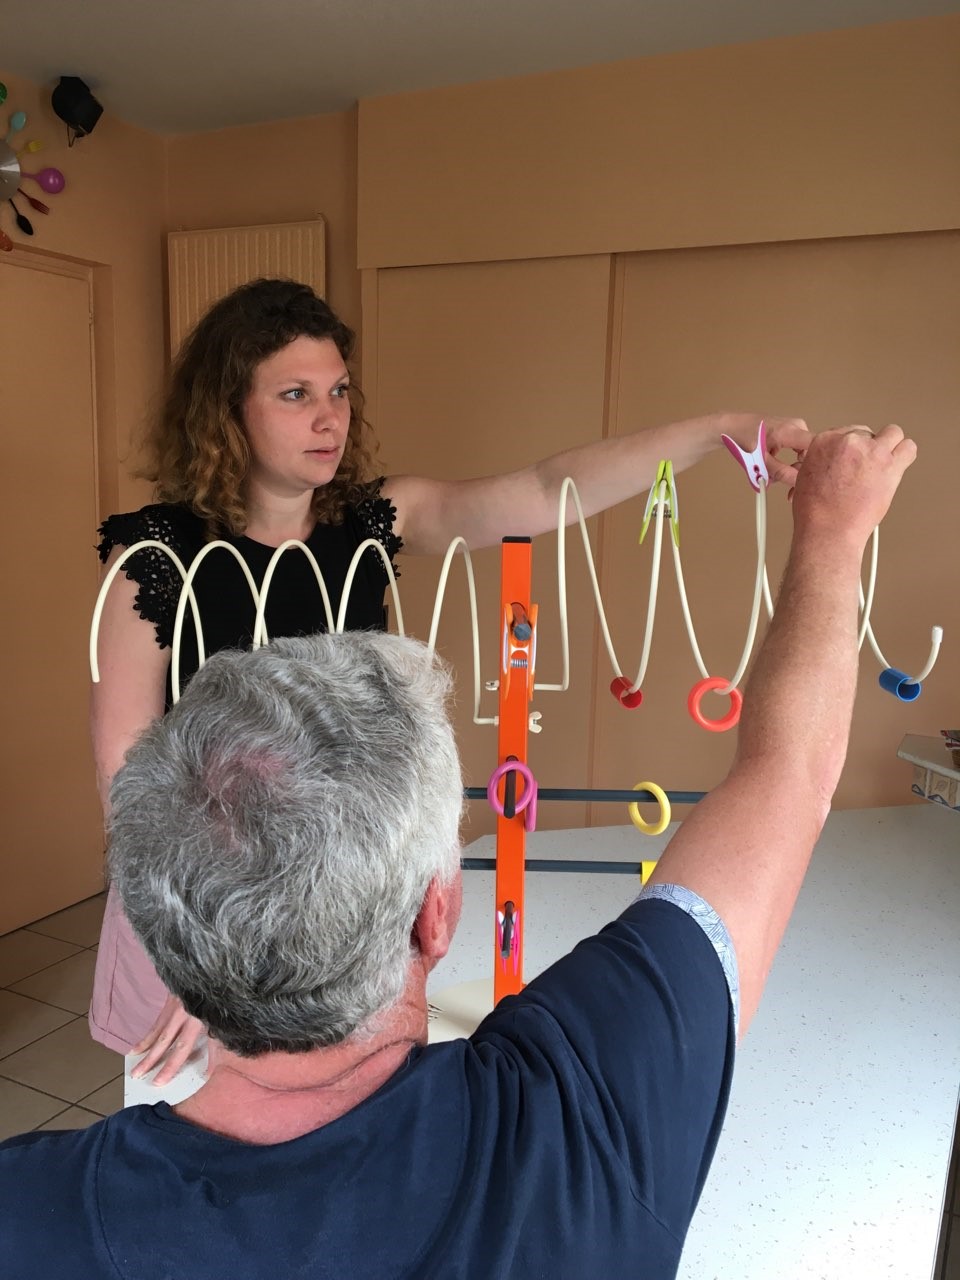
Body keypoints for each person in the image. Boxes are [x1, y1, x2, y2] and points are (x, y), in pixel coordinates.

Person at [3, 423, 916, 1279]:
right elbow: (788, 778)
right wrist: (832, 535)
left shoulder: (27, 1213)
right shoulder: (582, 1110)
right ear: (438, 911)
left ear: (171, 934)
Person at [90, 277, 812, 1084]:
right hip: (196, 888)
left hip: (340, 880)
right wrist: (199, 946)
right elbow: (125, 756)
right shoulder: (157, 555)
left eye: (337, 391)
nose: (329, 417)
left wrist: (717, 433)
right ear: (229, 411)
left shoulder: (370, 523)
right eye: (296, 395)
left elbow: (546, 489)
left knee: (334, 1104)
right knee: (192, 1115)